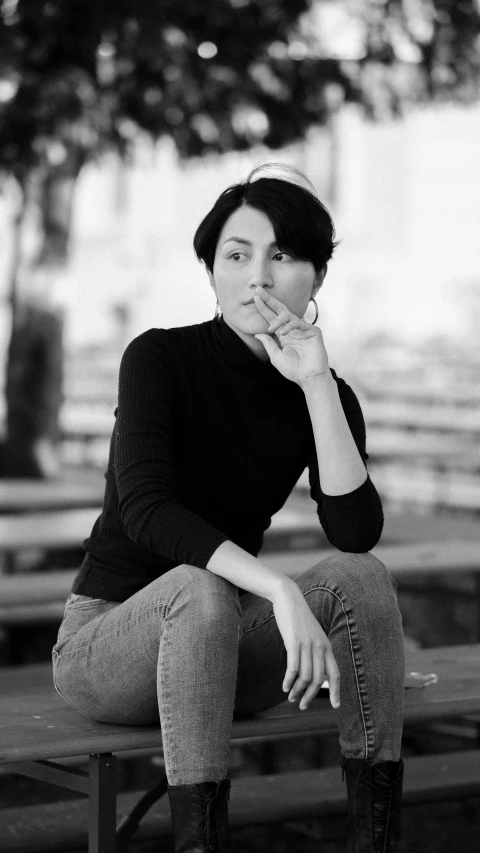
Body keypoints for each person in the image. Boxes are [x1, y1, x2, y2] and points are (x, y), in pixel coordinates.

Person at [52, 164, 405, 852]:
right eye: (237, 255)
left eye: (282, 255)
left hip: (220, 652)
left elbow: (355, 532)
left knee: (362, 577)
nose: (259, 277)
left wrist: (315, 384)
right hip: (107, 646)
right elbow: (147, 508)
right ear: (211, 270)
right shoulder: (159, 358)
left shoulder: (322, 394)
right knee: (201, 588)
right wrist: (277, 588)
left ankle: (378, 839)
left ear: (317, 277)